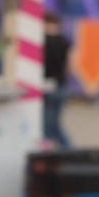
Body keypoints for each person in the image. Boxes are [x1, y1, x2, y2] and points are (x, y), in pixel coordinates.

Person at [43, 11, 71, 148]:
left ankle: (68, 150)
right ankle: (68, 149)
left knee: (48, 126)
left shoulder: (42, 41)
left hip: (46, 86)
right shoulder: (64, 41)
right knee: (54, 124)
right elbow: (68, 67)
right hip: (61, 86)